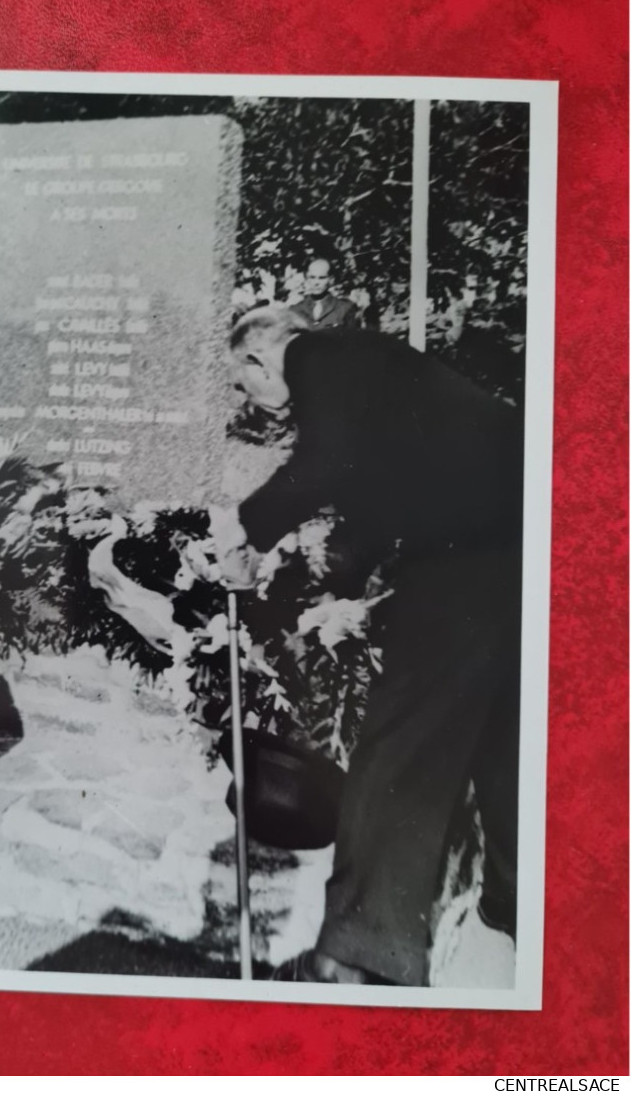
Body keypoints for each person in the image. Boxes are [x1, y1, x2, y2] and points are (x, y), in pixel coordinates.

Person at [212, 304, 523, 986]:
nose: (251, 398)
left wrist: (245, 531)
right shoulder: (370, 367)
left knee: (399, 748)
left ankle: (356, 957)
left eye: (243, 382)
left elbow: (322, 465)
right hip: (521, 539)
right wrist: (345, 579)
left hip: (465, 559)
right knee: (505, 743)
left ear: (264, 358)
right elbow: (381, 487)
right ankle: (520, 910)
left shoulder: (316, 359)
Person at [291, 257, 354, 331]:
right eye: (312, 277)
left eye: (322, 278)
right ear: (306, 279)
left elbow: (351, 340)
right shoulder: (295, 310)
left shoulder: (344, 308)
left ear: (331, 280)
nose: (316, 283)